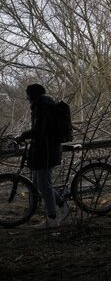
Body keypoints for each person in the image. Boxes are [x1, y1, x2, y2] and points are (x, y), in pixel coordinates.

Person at [16, 84, 69, 229]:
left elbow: (39, 130)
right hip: (47, 150)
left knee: (44, 185)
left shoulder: (41, 108)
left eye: (27, 95)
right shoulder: (46, 105)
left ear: (32, 95)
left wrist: (23, 136)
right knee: (39, 183)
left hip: (45, 151)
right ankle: (63, 206)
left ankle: (52, 219)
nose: (27, 98)